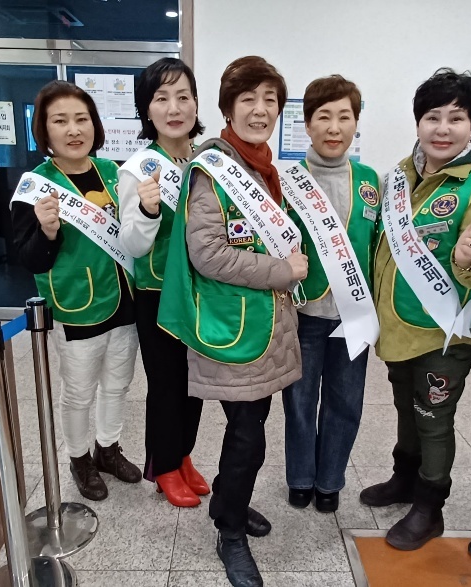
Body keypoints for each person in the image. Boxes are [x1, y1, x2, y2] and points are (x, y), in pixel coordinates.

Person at [157, 56, 305, 587]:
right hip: (232, 327)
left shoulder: (262, 166)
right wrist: (282, 271)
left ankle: (229, 504)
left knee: (252, 427)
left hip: (263, 325)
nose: (260, 110)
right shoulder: (215, 169)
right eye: (248, 100)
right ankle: (230, 532)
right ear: (228, 109)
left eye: (270, 100)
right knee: (248, 437)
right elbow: (208, 254)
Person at [358, 68, 471, 552]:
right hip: (398, 325)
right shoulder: (400, 176)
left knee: (433, 415)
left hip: (446, 331)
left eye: (456, 118)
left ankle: (430, 507)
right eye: (432, 117)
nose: (443, 129)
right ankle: (404, 478)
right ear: (418, 122)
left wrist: (470, 259)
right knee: (406, 406)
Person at [11, 81, 142, 501]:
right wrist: (47, 231)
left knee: (118, 383)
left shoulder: (113, 173)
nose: (73, 130)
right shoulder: (35, 186)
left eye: (81, 119)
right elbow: (28, 259)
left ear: (94, 125)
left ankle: (108, 448)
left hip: (125, 300)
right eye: (60, 121)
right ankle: (79, 458)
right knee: (79, 391)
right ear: (44, 130)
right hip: (76, 305)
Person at [281, 75, 380, 514]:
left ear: (356, 122)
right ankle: (301, 477)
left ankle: (329, 480)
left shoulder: (371, 181)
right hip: (303, 313)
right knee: (300, 402)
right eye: (323, 117)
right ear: (307, 124)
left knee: (346, 401)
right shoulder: (286, 181)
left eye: (344, 116)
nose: (334, 127)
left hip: (354, 316)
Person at [116, 57, 209, 508]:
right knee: (167, 384)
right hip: (157, 295)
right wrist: (148, 209)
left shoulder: (208, 161)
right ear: (146, 110)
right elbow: (132, 244)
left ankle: (184, 455)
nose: (174, 108)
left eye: (183, 96)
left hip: (202, 292)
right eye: (161, 98)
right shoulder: (137, 168)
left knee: (196, 383)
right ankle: (164, 467)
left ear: (196, 104)